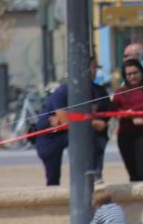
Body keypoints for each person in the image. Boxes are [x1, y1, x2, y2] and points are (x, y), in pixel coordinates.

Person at [35, 56, 111, 186]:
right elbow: (67, 122)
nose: (93, 71)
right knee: (53, 178)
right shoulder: (63, 91)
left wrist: (98, 122)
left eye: (94, 67)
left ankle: (95, 174)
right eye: (90, 67)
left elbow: (106, 112)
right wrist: (92, 122)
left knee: (94, 137)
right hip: (51, 137)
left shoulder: (98, 91)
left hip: (77, 133)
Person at [112, 58, 143, 182]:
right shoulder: (120, 92)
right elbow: (114, 109)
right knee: (133, 174)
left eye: (135, 73)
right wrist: (133, 116)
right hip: (125, 136)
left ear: (142, 72)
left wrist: (128, 113)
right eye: (129, 74)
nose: (133, 76)